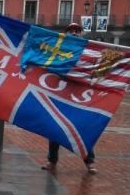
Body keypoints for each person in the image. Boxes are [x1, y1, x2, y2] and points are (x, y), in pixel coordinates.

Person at [40, 22, 96, 174]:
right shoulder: (59, 50)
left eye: (77, 31)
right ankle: (51, 161)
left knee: (81, 130)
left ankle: (89, 162)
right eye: (71, 30)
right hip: (60, 94)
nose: (74, 33)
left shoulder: (89, 50)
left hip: (77, 97)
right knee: (55, 130)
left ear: (81, 33)